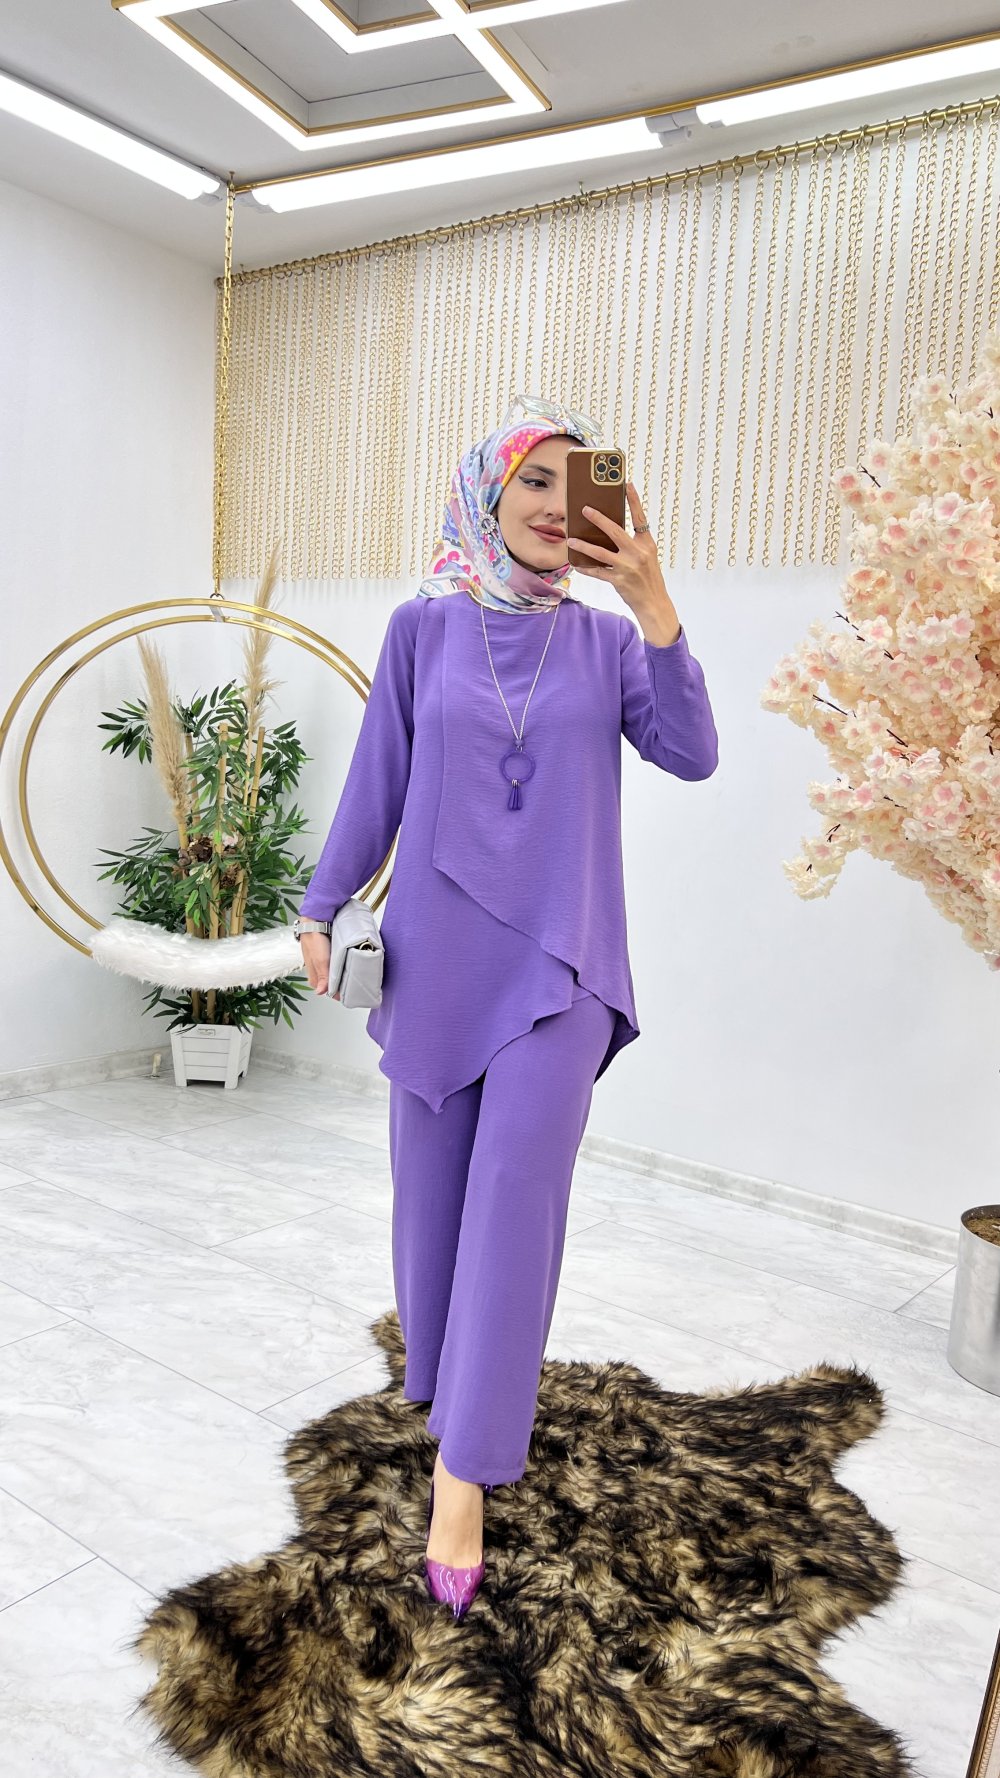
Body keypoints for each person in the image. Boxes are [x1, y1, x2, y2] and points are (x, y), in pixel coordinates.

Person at [295, 393, 719, 1619]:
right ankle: (446, 1391)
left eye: (573, 484)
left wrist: (655, 605)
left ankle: (464, 1476)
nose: (550, 505)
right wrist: (321, 902)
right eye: (532, 480)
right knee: (430, 1203)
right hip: (435, 958)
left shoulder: (610, 644)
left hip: (563, 967)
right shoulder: (421, 628)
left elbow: (690, 753)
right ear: (487, 493)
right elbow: (377, 777)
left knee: (515, 1211)